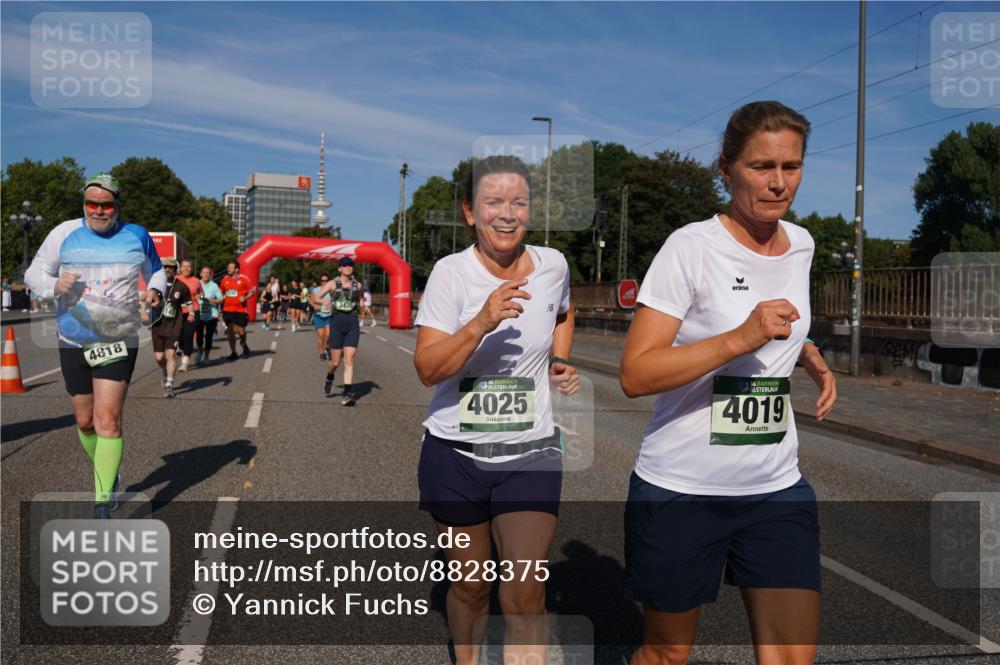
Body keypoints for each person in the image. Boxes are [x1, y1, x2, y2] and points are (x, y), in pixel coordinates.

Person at [619, 101, 837, 665]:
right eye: (762, 166)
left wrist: (806, 350)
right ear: (727, 170)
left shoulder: (803, 244)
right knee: (667, 655)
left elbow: (780, 321)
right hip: (681, 489)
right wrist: (741, 338)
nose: (778, 182)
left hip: (776, 487)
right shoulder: (691, 247)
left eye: (791, 166)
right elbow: (636, 373)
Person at [413, 155, 579, 665]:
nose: (507, 214)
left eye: (518, 202)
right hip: (456, 453)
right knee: (471, 587)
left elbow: (564, 312)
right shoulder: (451, 274)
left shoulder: (553, 266)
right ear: (469, 212)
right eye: (493, 202)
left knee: (524, 592)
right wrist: (480, 322)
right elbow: (427, 368)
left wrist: (560, 359)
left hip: (530, 451)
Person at [24, 173, 167, 519]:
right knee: (86, 422)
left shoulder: (137, 235)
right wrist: (54, 285)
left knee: (108, 420)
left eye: (106, 205)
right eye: (92, 204)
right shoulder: (64, 233)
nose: (99, 211)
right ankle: (110, 472)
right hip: (73, 339)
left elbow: (157, 270)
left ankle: (102, 501)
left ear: (118, 206)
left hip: (119, 339)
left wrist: (155, 290)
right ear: (84, 205)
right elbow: (33, 273)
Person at [312, 257, 366, 405]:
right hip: (336, 322)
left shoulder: (358, 285)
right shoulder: (332, 283)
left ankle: (347, 394)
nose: (348, 267)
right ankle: (329, 377)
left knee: (349, 359)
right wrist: (324, 301)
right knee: (335, 362)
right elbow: (316, 298)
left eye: (350, 265)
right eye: (345, 265)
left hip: (352, 323)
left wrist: (362, 304)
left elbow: (360, 298)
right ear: (339, 268)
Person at [149, 258, 190, 397]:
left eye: (171, 267)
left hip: (174, 326)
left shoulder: (182, 287)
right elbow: (146, 300)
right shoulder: (155, 285)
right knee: (159, 357)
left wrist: (191, 313)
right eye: (165, 267)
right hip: (157, 325)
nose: (168, 269)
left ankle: (169, 384)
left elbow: (188, 302)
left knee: (171, 355)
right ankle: (165, 370)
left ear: (175, 270)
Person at [220, 261, 254, 359]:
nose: (228, 269)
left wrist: (245, 298)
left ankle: (243, 342)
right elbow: (221, 292)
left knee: (241, 331)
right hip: (228, 309)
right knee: (230, 330)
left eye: (231, 267)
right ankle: (233, 352)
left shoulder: (244, 279)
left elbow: (252, 292)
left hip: (240, 309)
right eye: (228, 267)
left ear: (236, 269)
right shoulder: (225, 280)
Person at [176, 259, 202, 373]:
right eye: (184, 266)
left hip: (193, 311)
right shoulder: (175, 279)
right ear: (180, 268)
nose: (186, 268)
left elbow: (200, 294)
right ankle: (181, 350)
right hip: (178, 312)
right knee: (179, 336)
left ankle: (184, 363)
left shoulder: (196, 281)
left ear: (192, 269)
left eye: (189, 266)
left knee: (188, 335)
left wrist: (200, 297)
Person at [195, 266, 222, 365]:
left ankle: (206, 356)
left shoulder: (214, 286)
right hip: (199, 313)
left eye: (208, 273)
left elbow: (220, 299)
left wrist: (209, 300)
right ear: (200, 274)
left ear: (210, 275)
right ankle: (200, 350)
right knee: (199, 335)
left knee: (209, 336)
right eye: (204, 272)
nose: (206, 274)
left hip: (212, 314)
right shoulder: (196, 283)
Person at [310, 273, 333, 360]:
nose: (324, 282)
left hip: (329, 315)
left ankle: (327, 347)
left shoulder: (332, 290)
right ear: (320, 281)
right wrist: (314, 305)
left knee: (329, 335)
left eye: (326, 280)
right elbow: (312, 300)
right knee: (320, 335)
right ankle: (322, 353)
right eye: (323, 280)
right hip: (319, 315)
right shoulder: (316, 290)